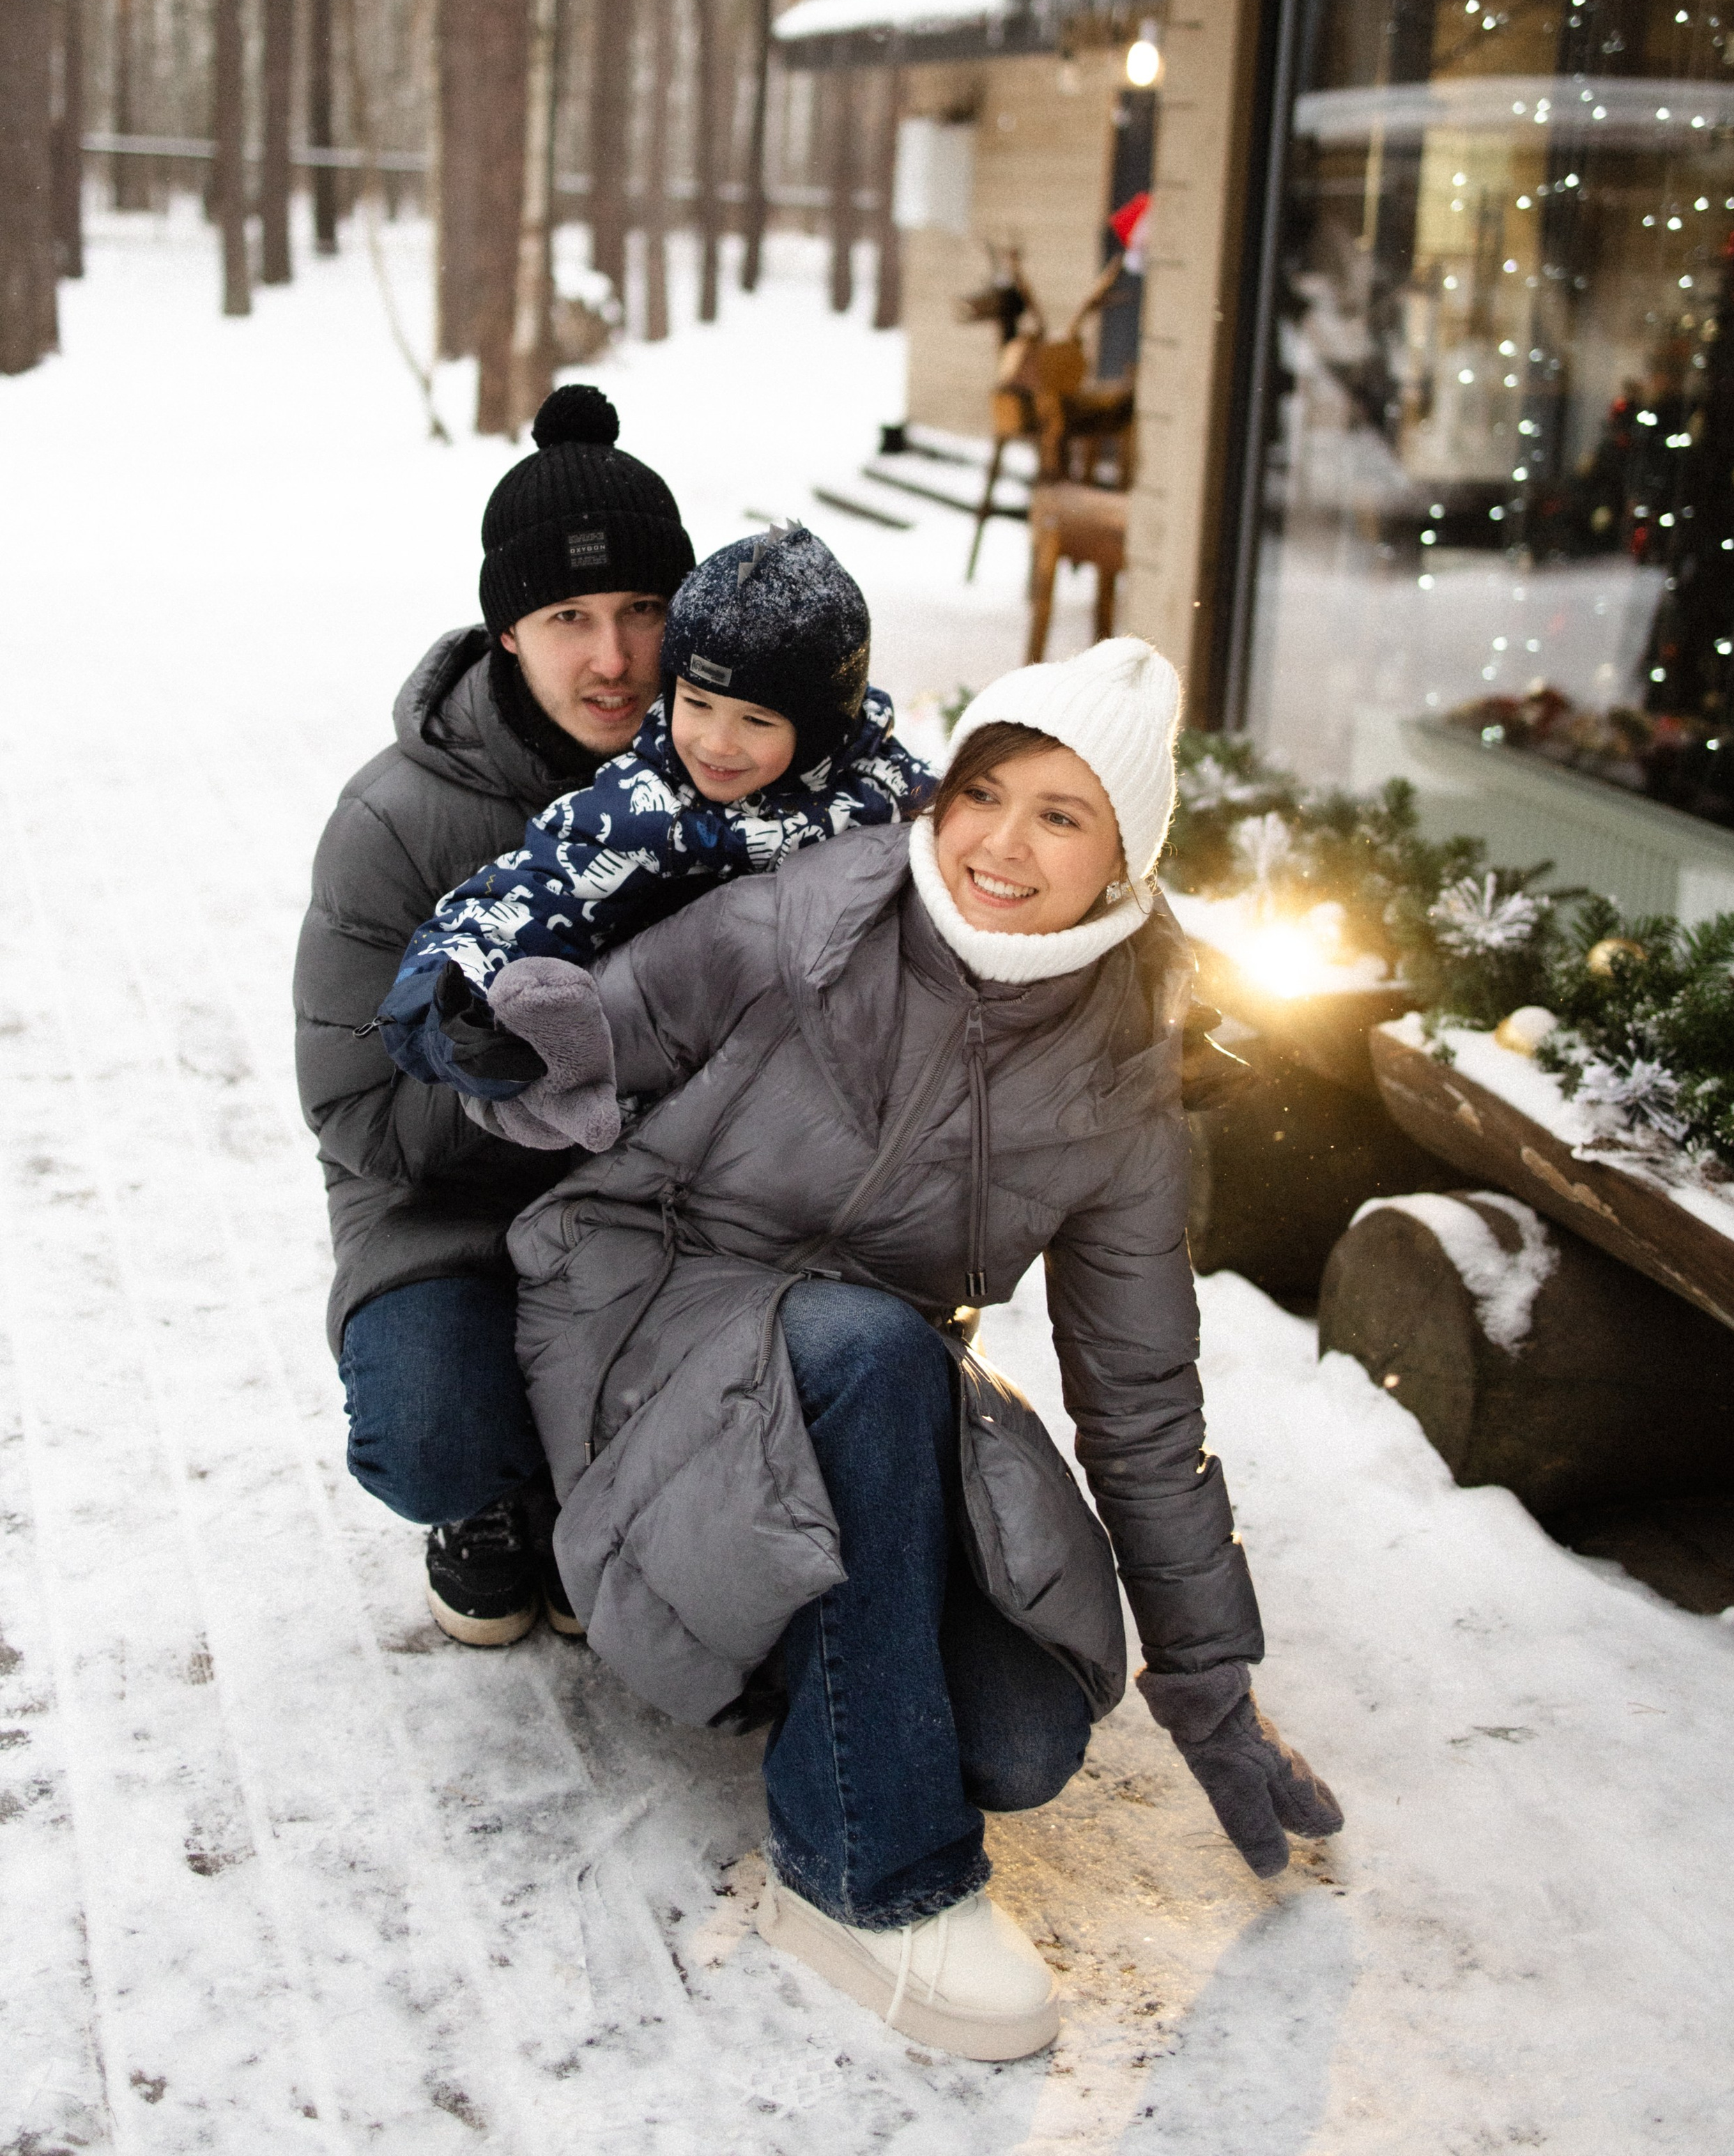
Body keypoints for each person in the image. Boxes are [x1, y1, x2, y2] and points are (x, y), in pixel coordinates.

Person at [458, 636, 1343, 2063]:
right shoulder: (802, 918)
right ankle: (867, 1876)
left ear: (1125, 859)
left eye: (1060, 816)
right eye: (982, 791)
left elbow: (1139, 1400)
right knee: (868, 1351)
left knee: (1024, 1740)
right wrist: (511, 1041)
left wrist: (1207, 1680)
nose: (998, 844)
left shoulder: (1122, 1077)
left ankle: (817, 1659)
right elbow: (577, 1047)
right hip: (642, 1310)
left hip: (865, 1388)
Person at [293, 384, 693, 1647]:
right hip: (449, 1217)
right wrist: (506, 1069)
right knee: (434, 1432)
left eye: (642, 610)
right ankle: (490, 1495)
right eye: (569, 617)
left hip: (671, 1214)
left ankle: (596, 1491)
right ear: (507, 630)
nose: (614, 658)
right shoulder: (394, 820)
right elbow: (357, 1114)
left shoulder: (739, 786)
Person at [375, 522, 932, 1099]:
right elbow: (523, 898)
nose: (716, 744)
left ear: (821, 730)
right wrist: (444, 1007)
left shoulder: (889, 788)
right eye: (697, 703)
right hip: (685, 1095)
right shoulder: (644, 806)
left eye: (756, 720)